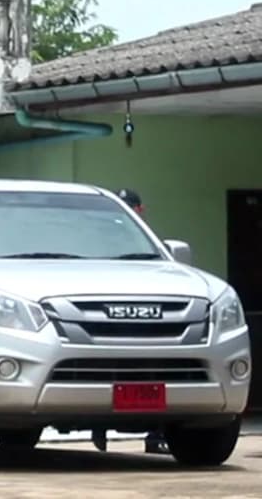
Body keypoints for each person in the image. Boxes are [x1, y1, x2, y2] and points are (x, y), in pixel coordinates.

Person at [91, 188, 168, 456]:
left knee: (154, 376)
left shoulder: (143, 241)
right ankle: (98, 428)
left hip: (148, 324)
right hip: (108, 324)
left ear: (139, 211)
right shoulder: (96, 239)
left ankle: (157, 435)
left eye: (130, 207)